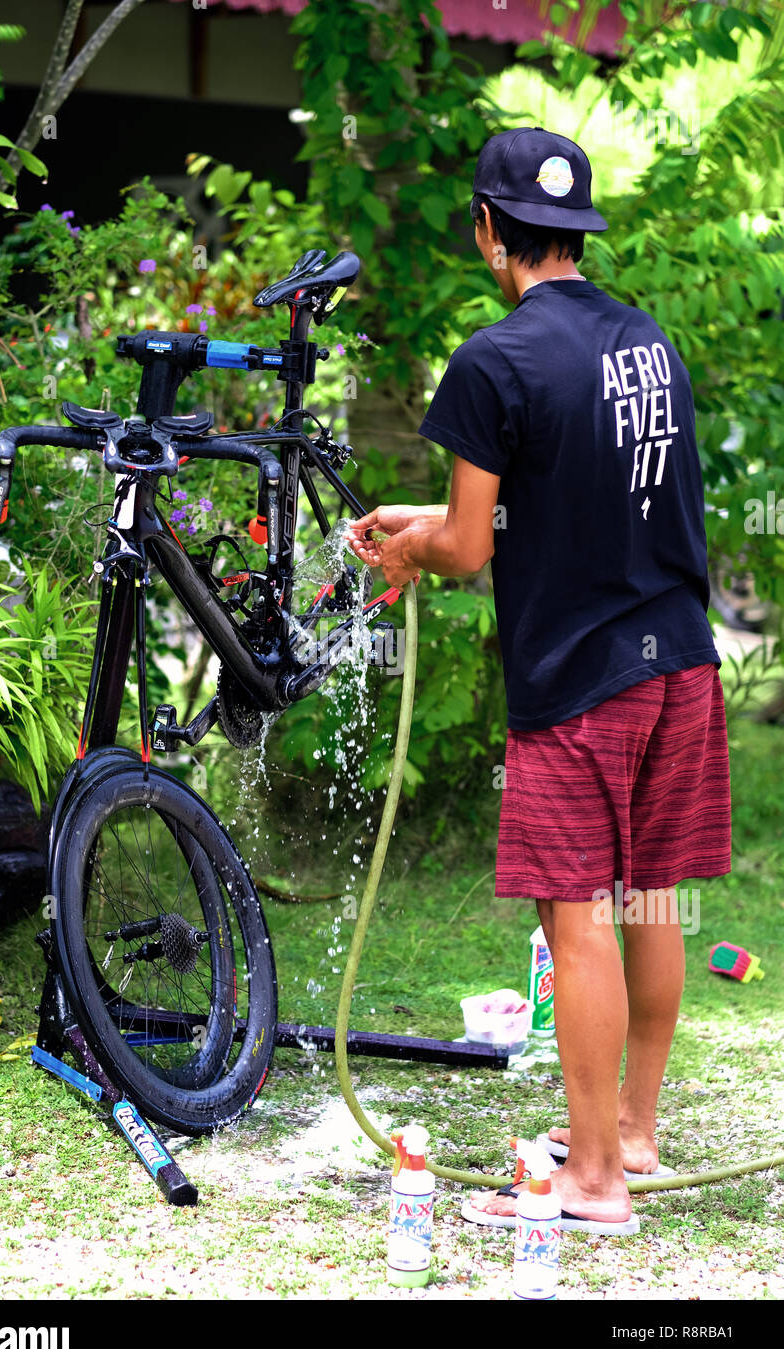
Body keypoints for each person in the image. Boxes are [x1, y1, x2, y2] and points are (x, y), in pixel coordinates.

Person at [347, 127, 731, 1234]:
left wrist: (414, 547)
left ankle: (596, 1183)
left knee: (577, 917)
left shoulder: (495, 360)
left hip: (577, 679)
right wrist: (428, 523)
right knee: (650, 894)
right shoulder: (642, 343)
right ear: (576, 230)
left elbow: (470, 550)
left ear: (486, 229)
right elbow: (553, 506)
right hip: (677, 661)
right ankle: (632, 1132)